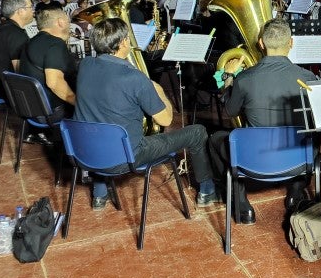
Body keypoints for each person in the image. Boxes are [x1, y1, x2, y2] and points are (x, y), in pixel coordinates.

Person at [74, 18, 218, 209]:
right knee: (197, 132)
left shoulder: (85, 65)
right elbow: (165, 119)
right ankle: (207, 192)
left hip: (85, 152)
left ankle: (100, 195)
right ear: (124, 42)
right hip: (125, 158)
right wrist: (158, 91)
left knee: (100, 125)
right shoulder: (135, 78)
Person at [209, 20, 317, 224]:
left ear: (260, 44)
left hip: (253, 159)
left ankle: (242, 207)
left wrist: (228, 78)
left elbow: (230, 111)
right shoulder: (308, 77)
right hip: (296, 159)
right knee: (314, 131)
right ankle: (296, 191)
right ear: (291, 43)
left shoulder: (244, 78)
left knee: (215, 139)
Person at [19, 4, 77, 124]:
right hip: (52, 112)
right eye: (68, 20)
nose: (69, 24)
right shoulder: (55, 44)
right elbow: (54, 83)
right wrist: (79, 104)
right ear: (60, 22)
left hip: (31, 109)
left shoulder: (30, 42)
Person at [0, 0, 34, 86]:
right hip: (10, 88)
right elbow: (21, 72)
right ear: (20, 11)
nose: (33, 11)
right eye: (31, 7)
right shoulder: (16, 34)